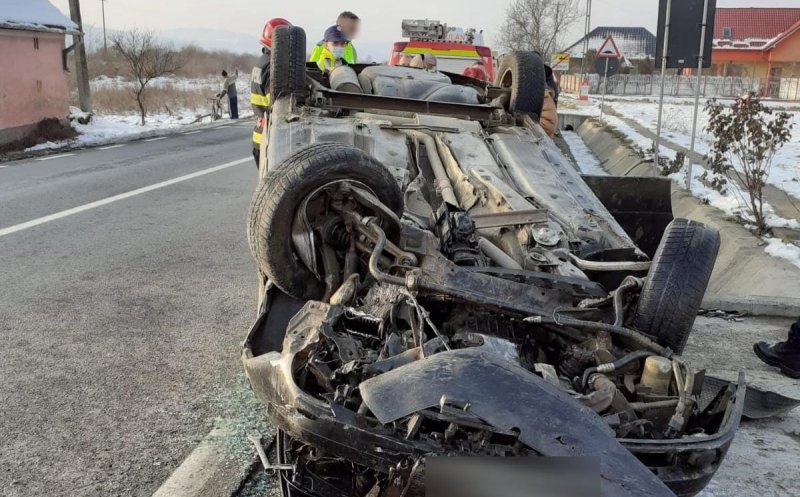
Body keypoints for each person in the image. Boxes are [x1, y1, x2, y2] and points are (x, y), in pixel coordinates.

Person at [250, 18, 291, 169]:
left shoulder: (262, 62)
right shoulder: (273, 68)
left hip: (260, 134)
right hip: (270, 139)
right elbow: (278, 105)